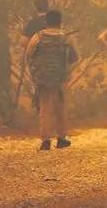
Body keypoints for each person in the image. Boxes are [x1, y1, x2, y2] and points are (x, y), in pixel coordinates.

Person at [25, 9, 78, 150]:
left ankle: (45, 140)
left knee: (45, 108)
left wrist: (34, 72)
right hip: (60, 77)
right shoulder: (66, 37)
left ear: (46, 22)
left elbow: (29, 54)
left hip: (43, 78)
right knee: (60, 107)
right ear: (60, 22)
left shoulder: (38, 37)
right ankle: (61, 138)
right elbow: (74, 57)